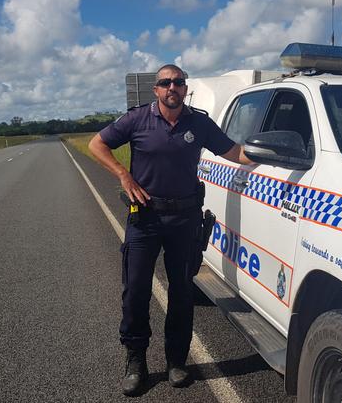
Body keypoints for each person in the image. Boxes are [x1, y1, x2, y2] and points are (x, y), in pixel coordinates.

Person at [88, 64, 253, 396]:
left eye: (178, 82)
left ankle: (177, 360)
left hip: (185, 220)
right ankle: (136, 361)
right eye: (165, 83)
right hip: (145, 218)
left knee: (181, 292)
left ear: (185, 87)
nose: (172, 88)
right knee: (135, 292)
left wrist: (272, 157)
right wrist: (123, 175)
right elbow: (97, 145)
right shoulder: (137, 119)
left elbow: (234, 152)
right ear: (156, 89)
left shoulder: (200, 123)